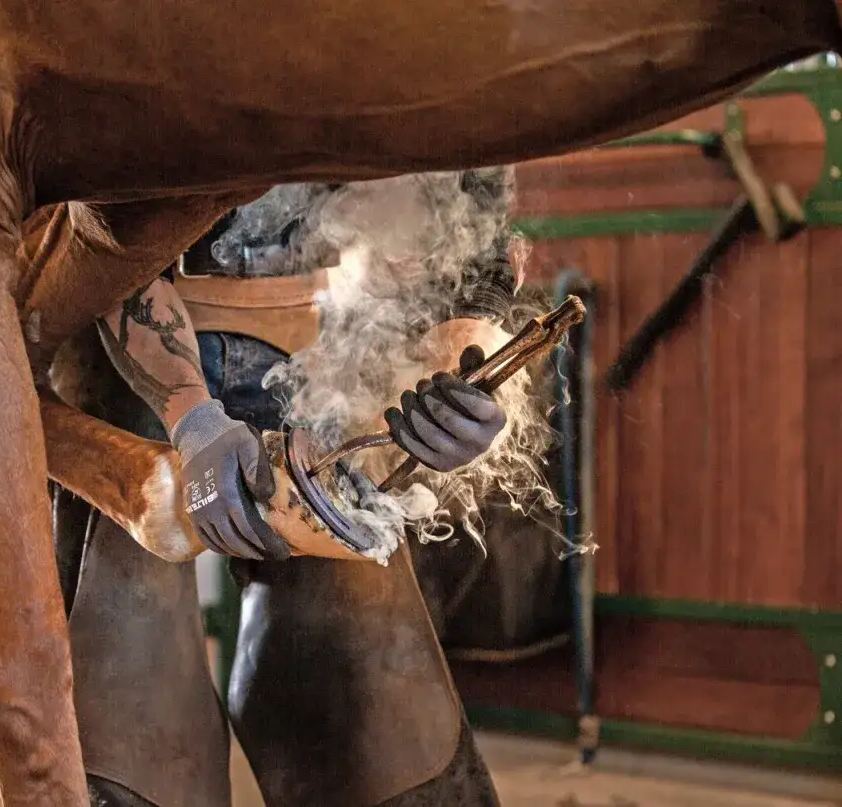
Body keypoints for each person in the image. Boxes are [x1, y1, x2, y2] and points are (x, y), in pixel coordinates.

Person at [54, 171, 520, 807]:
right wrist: (189, 413)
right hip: (125, 328)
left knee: (376, 716)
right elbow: (99, 223)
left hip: (333, 345)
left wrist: (468, 369)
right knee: (129, 691)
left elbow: (479, 235)